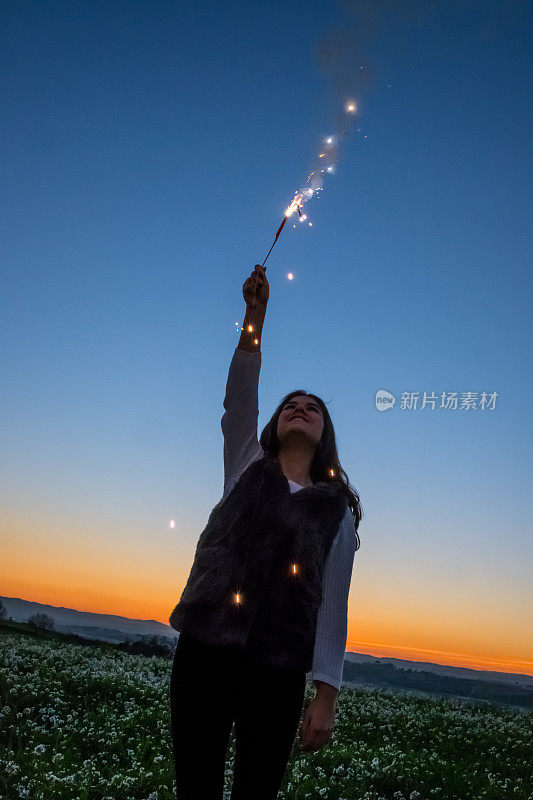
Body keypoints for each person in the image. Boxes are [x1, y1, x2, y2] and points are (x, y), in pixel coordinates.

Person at [168, 265, 362, 799]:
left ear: (324, 434)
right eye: (291, 406)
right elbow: (239, 400)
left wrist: (326, 693)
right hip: (206, 650)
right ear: (274, 426)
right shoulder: (246, 465)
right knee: (196, 787)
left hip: (279, 669)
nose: (300, 409)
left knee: (257, 791)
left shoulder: (336, 511)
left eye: (313, 409)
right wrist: (254, 319)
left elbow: (332, 602)